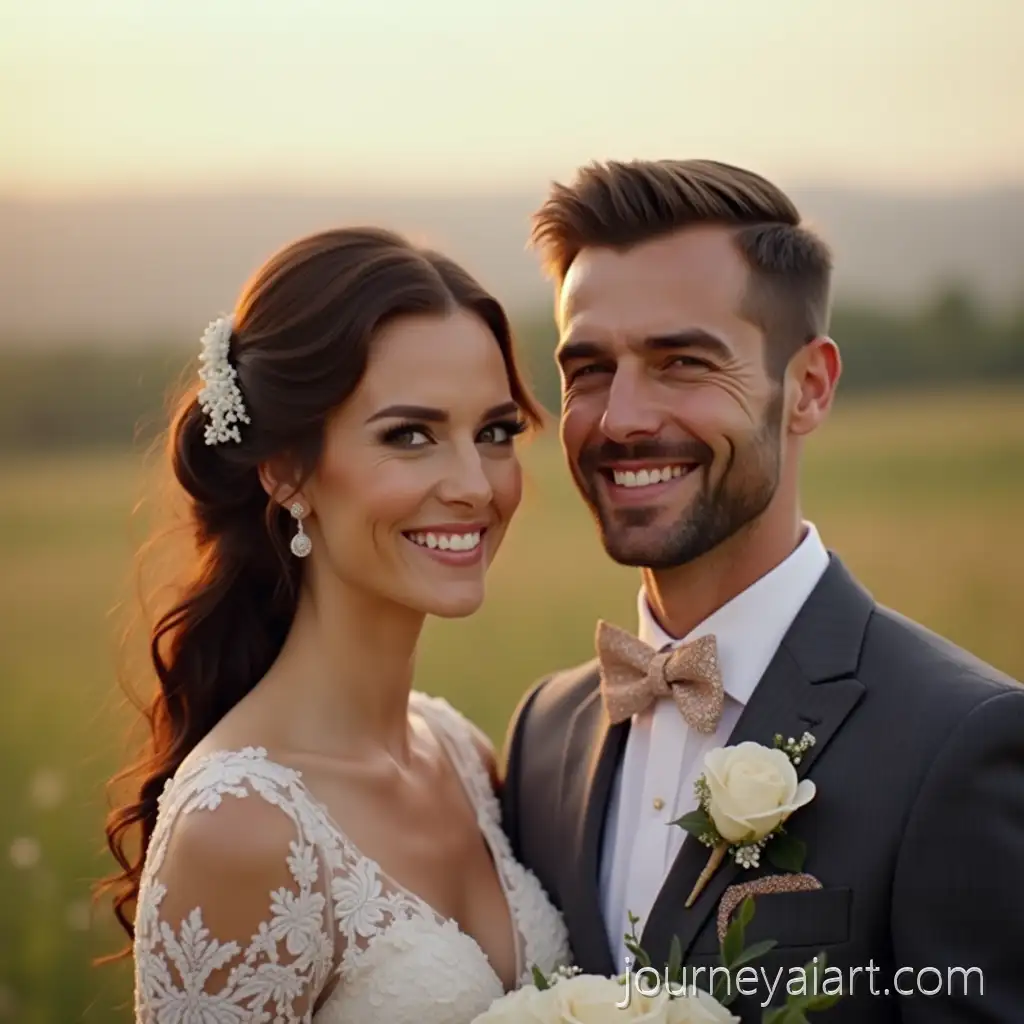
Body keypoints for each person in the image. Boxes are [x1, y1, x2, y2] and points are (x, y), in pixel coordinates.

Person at [499, 159, 1024, 1021]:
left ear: (809, 388)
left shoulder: (960, 744)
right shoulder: (542, 737)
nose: (621, 417)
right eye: (588, 368)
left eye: (681, 363)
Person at [99, 227, 570, 1024]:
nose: (474, 485)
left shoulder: (459, 755)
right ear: (286, 469)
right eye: (410, 435)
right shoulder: (239, 827)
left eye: (494, 433)